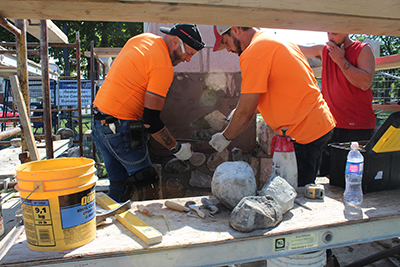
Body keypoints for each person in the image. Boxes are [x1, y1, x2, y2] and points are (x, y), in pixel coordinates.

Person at [209, 26, 336, 187]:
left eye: (226, 42)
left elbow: (246, 112)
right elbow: (256, 105)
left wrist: (225, 137)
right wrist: (238, 113)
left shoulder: (254, 52)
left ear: (235, 29)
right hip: (317, 124)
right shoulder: (274, 40)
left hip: (304, 133)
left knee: (298, 197)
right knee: (304, 190)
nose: (228, 49)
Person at [91, 24, 205, 202]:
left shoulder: (142, 39)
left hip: (100, 122)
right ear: (176, 42)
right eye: (189, 54)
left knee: (119, 185)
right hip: (119, 127)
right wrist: (176, 149)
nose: (188, 60)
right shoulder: (163, 66)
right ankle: (151, 225)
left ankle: (112, 222)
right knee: (147, 183)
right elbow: (151, 122)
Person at [298, 33, 376, 176]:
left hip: (357, 129)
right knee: (329, 178)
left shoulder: (363, 49)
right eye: (328, 30)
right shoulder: (324, 50)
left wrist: (340, 59)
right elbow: (296, 48)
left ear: (347, 29)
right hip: (331, 126)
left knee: (354, 178)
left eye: (335, 29)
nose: (330, 33)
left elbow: (364, 83)